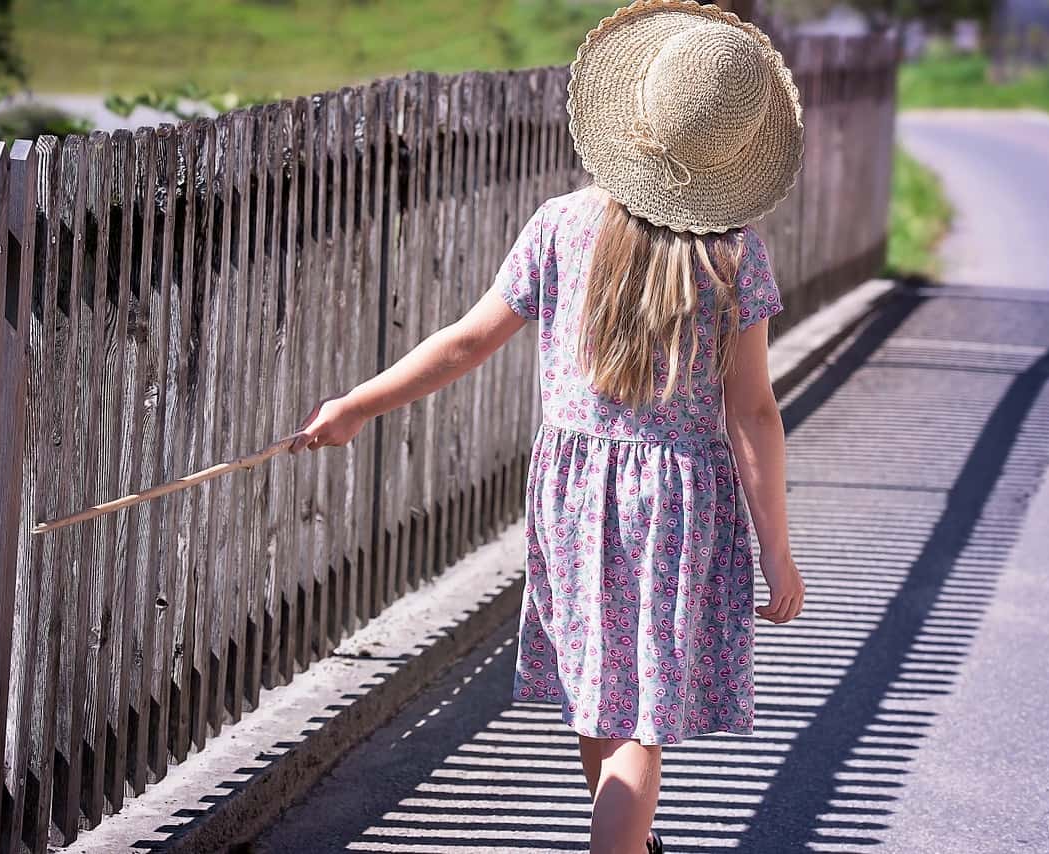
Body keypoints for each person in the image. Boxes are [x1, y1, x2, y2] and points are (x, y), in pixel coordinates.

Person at [289, 2, 807, 852]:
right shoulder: (732, 252)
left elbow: (463, 346)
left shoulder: (562, 224)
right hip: (677, 505)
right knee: (642, 721)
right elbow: (752, 409)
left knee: (603, 698)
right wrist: (775, 547)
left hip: (575, 498)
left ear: (634, 118)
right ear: (734, 153)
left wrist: (355, 406)